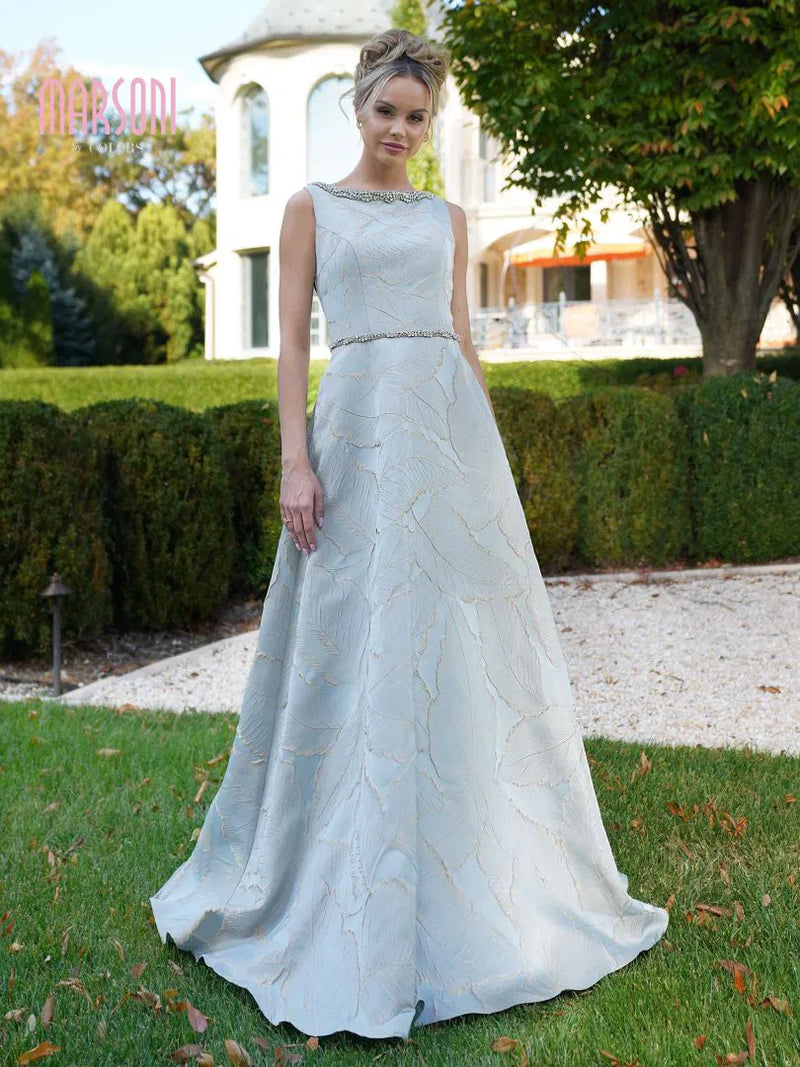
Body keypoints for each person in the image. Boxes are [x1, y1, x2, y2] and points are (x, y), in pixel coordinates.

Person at [150, 27, 669, 1042]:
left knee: (464, 650)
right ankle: (340, 863)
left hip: (443, 441)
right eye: (385, 111)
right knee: (357, 641)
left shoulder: (447, 216)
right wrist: (295, 461)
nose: (398, 128)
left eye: (416, 116)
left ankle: (482, 857)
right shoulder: (310, 208)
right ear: (358, 107)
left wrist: (490, 469)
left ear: (430, 123)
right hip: (355, 435)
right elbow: (290, 346)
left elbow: (464, 344)